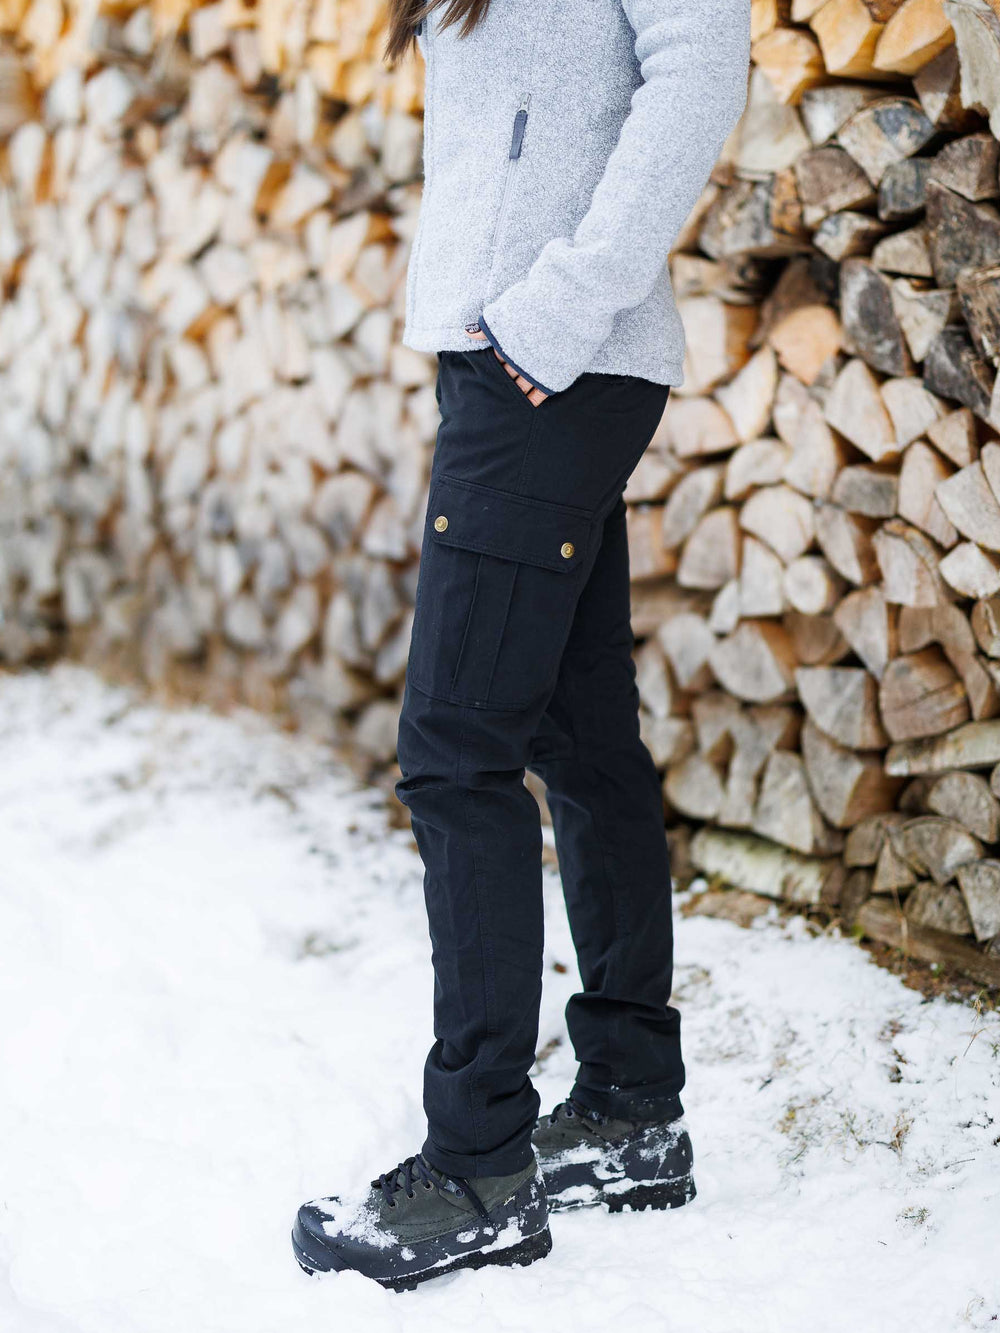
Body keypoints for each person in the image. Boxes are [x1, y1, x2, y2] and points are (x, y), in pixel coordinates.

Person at [292, 0, 750, 1290]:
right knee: (579, 736)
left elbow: (700, 68)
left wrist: (559, 304)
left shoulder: (557, 324)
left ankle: (480, 1167)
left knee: (456, 754)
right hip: (520, 358)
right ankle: (628, 1111)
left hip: (551, 358)